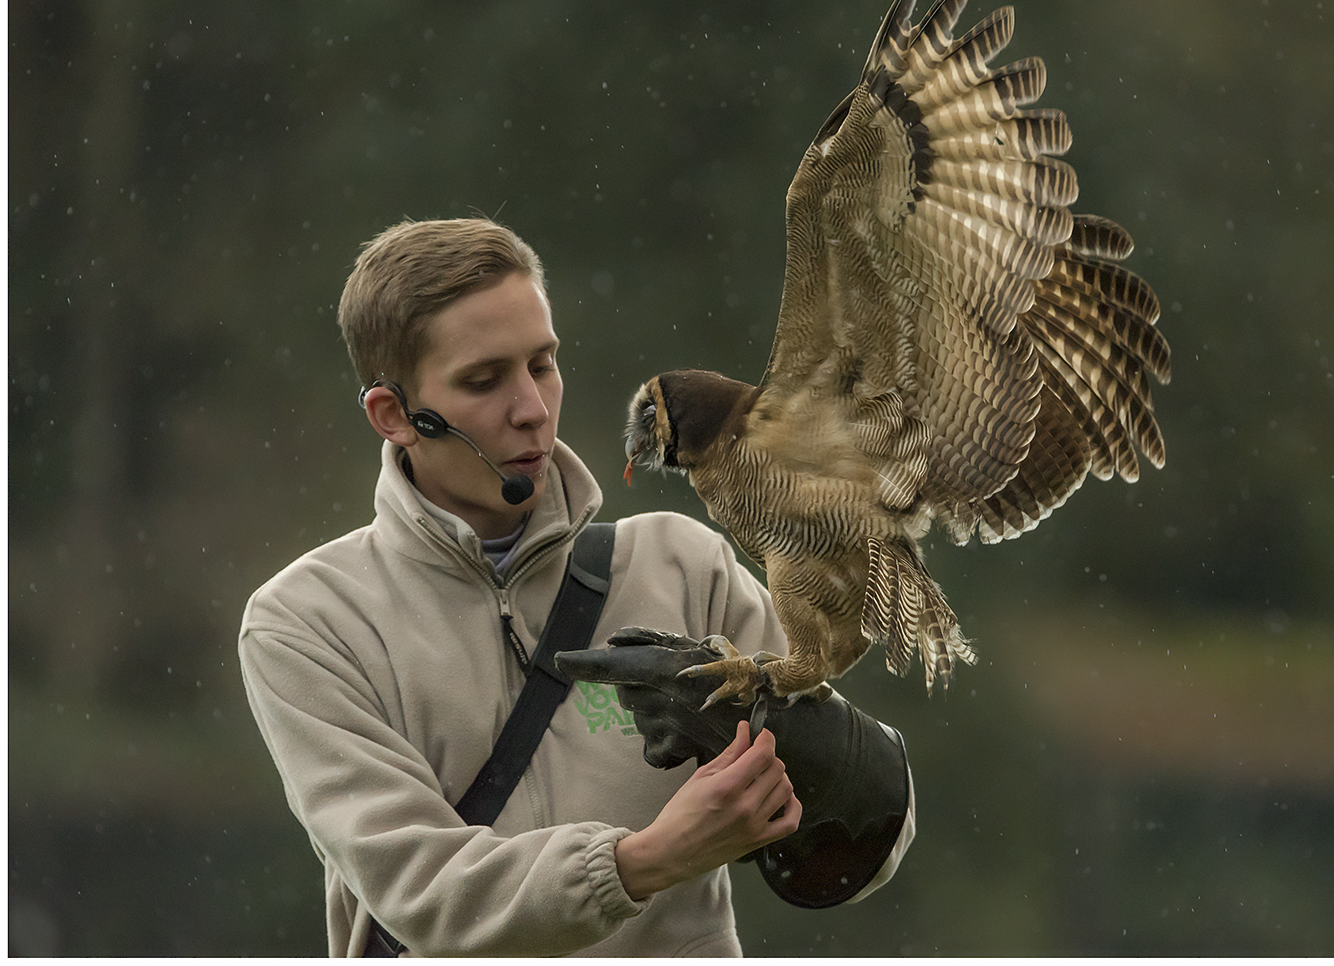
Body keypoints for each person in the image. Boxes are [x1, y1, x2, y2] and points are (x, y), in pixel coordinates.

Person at [238, 218, 912, 956]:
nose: (531, 406)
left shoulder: (680, 567)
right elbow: (422, 893)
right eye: (484, 379)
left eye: (543, 363)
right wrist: (649, 860)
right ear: (395, 414)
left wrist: (806, 750)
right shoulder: (307, 623)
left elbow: (871, 842)